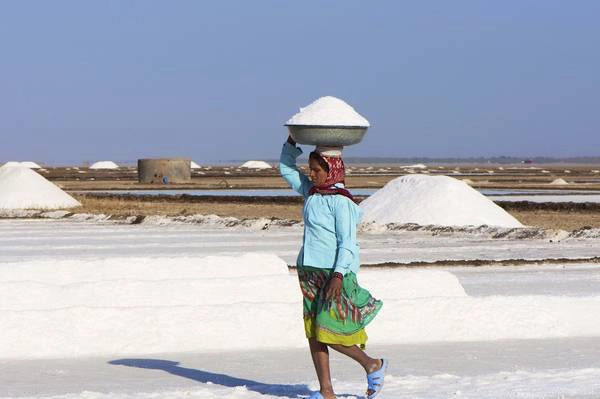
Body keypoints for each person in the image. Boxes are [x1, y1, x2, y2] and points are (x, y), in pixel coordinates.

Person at [279, 135, 388, 399]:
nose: (311, 174)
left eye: (317, 170)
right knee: (314, 333)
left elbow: (347, 243)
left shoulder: (342, 203)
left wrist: (338, 275)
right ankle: (326, 391)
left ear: (332, 170)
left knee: (330, 331)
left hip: (334, 273)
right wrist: (292, 142)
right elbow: (285, 168)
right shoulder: (312, 193)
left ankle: (372, 364)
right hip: (309, 271)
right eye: (310, 169)